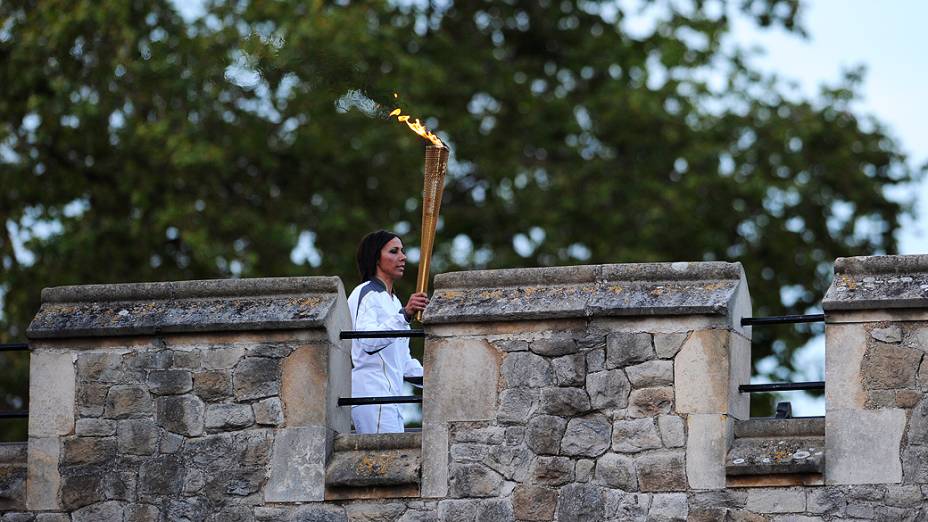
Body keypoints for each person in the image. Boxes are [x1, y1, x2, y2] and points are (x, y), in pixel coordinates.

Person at [347, 230, 429, 433]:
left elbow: (403, 362)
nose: (403, 257)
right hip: (372, 396)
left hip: (391, 400)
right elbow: (367, 342)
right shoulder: (366, 293)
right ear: (376, 257)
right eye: (394, 251)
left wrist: (438, 379)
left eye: (402, 251)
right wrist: (405, 315)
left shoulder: (394, 301)